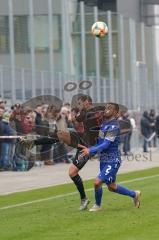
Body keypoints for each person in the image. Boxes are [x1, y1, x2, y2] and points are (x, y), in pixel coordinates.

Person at [22, 95, 104, 210]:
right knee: (61, 134)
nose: (79, 104)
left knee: (72, 172)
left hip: (88, 147)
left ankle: (85, 199)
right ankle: (34, 142)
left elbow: (76, 119)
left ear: (88, 102)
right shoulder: (86, 112)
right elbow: (73, 119)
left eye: (81, 102)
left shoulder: (94, 112)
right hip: (82, 140)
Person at [78, 103, 141, 211]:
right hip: (103, 160)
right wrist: (88, 152)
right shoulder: (104, 125)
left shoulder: (114, 126)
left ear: (116, 113)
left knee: (97, 182)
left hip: (112, 160)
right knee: (112, 187)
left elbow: (106, 144)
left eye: (110, 108)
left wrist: (90, 150)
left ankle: (97, 205)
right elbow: (100, 143)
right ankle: (134, 194)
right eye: (106, 107)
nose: (106, 109)